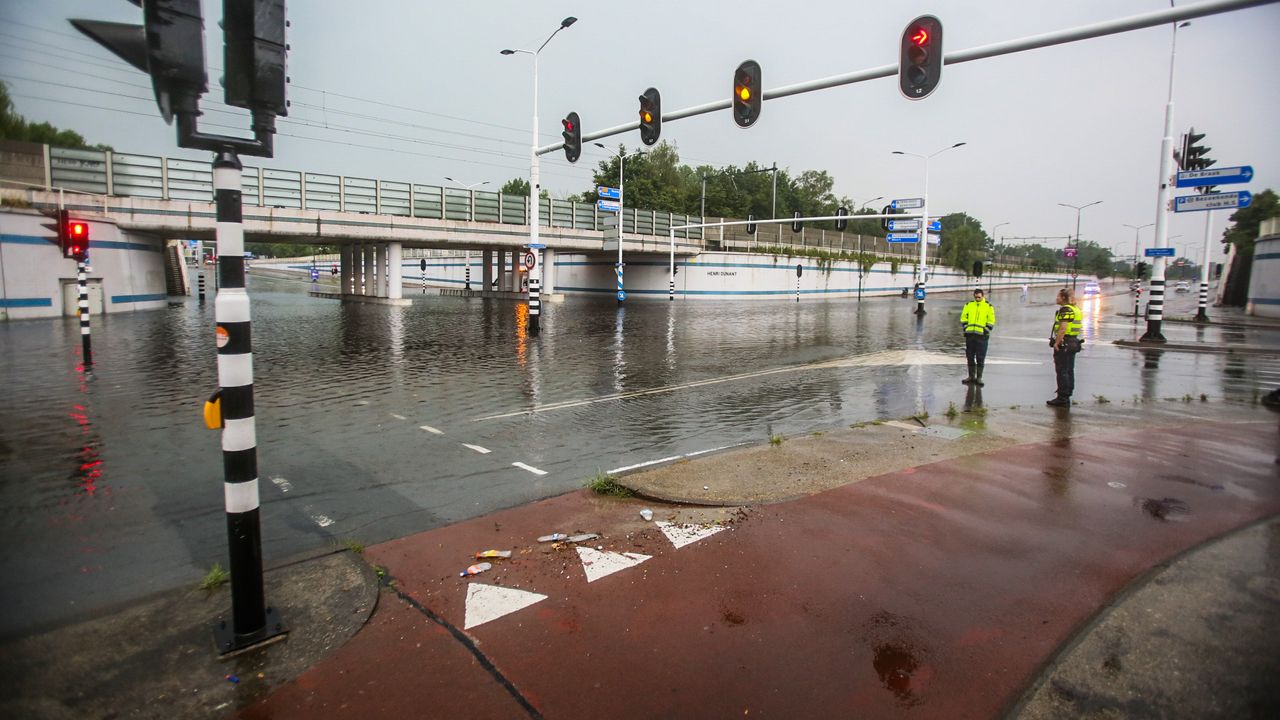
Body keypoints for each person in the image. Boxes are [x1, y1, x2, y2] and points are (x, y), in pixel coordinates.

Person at [1047, 288, 1083, 407]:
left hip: (1065, 342)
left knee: (1062, 370)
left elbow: (1063, 328)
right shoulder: (1076, 309)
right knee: (1069, 369)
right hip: (1073, 341)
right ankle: (1067, 394)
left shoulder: (1065, 310)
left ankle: (1062, 397)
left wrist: (1057, 343)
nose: (1056, 298)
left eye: (1058, 296)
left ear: (1063, 298)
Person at [960, 288, 996, 385]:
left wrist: (985, 331)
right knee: (970, 357)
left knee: (980, 357)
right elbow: (963, 318)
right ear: (974, 296)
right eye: (976, 297)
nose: (977, 299)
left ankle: (979, 378)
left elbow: (991, 321)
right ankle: (971, 376)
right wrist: (966, 328)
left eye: (979, 297)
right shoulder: (968, 305)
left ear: (983, 296)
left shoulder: (988, 307)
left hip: (982, 337)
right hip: (970, 336)